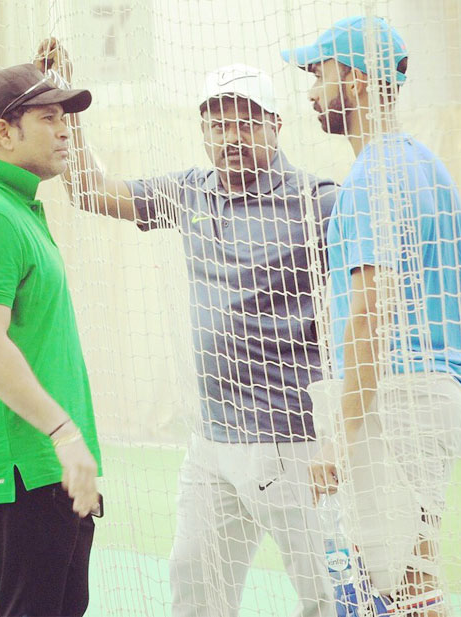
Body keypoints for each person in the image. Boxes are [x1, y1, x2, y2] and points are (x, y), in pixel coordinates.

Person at [36, 41, 339, 617]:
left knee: (325, 597)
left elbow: (368, 304)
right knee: (194, 585)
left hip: (295, 442)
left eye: (244, 123)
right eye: (216, 124)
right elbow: (92, 192)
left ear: (276, 125)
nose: (229, 138)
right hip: (211, 442)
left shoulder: (320, 201)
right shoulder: (189, 190)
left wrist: (340, 434)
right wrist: (69, 112)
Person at [282, 16, 461, 617]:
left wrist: (337, 440)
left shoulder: (371, 177)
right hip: (439, 395)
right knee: (415, 588)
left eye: (319, 74)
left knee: (385, 591)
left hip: (398, 400)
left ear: (358, 80)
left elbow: (370, 314)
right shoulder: (427, 165)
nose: (311, 91)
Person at [0, 63, 103, 617]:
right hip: (26, 463)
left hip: (49, 461)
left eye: (65, 118)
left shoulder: (15, 206)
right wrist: (62, 433)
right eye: (49, 118)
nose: (63, 131)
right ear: (4, 133)